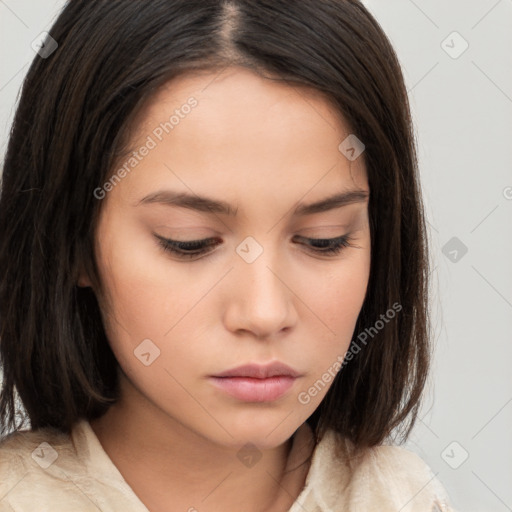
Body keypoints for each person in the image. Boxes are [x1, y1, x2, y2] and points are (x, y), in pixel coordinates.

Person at [0, 1, 456, 510]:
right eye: (188, 241)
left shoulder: (398, 498)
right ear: (75, 243)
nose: (264, 313)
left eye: (323, 239)